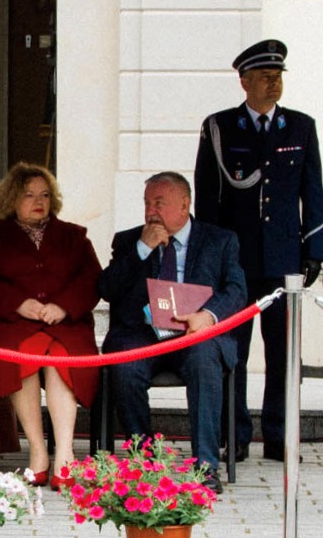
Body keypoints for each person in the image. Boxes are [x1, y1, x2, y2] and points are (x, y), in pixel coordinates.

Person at [193, 39, 323, 463]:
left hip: (284, 260)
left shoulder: (300, 127)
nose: (274, 83)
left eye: (278, 76)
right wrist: (209, 259)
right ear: (244, 82)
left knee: (284, 354)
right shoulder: (220, 128)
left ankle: (280, 435)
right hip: (236, 262)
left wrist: (315, 249)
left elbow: (313, 193)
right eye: (265, 77)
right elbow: (207, 198)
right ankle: (234, 434)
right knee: (233, 351)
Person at [96, 172, 247, 490]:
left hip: (195, 333)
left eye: (159, 203)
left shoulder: (220, 240)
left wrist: (208, 316)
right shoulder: (128, 241)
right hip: (143, 334)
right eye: (147, 203)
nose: (151, 211)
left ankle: (205, 467)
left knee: (205, 358)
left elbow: (237, 291)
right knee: (125, 364)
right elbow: (107, 289)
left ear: (184, 204)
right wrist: (142, 249)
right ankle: (144, 461)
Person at [0, 163, 101, 484]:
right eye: (29, 195)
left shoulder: (74, 236)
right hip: (9, 324)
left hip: (64, 324)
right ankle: (38, 451)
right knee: (21, 355)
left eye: (45, 195)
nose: (39, 201)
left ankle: (65, 453)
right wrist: (17, 303)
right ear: (11, 199)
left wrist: (64, 306)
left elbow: (92, 279)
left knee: (61, 357)